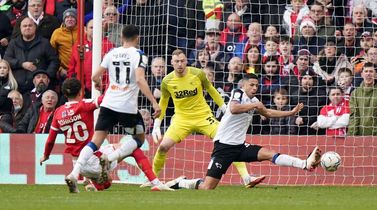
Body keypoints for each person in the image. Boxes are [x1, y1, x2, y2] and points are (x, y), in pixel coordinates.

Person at [165, 73, 321, 190]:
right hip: (224, 147)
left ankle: (305, 164)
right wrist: (255, 106)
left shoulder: (254, 101)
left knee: (269, 153)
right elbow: (233, 109)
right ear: (244, 85)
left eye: (256, 85)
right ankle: (181, 182)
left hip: (240, 146)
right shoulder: (237, 93)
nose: (254, 88)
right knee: (208, 187)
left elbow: (268, 113)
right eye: (251, 85)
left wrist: (291, 113)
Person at [65, 25, 162, 193]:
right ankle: (109, 159)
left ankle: (75, 172)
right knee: (138, 138)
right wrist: (154, 102)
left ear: (122, 37)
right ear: (137, 38)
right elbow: (140, 79)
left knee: (96, 141)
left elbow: (95, 76)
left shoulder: (111, 53)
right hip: (126, 106)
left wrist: (97, 84)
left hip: (108, 103)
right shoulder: (139, 55)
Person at [151, 49, 265, 189]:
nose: (180, 64)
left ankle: (247, 178)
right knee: (163, 146)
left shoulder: (197, 74)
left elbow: (211, 90)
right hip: (181, 120)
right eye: (176, 61)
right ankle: (153, 180)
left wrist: (224, 108)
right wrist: (157, 124)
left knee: (228, 141)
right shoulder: (167, 81)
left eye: (182, 61)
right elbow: (163, 101)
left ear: (186, 61)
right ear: (171, 62)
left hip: (204, 117)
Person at [40, 78, 171, 192]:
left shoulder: (58, 113)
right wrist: (113, 83)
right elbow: (106, 98)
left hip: (78, 164)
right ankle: (156, 183)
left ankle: (95, 184)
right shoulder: (84, 105)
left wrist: (45, 155)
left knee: (107, 181)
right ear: (81, 92)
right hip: (92, 159)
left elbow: (51, 140)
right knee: (133, 149)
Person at [348, 62, 377, 136]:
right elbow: (354, 116)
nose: (368, 74)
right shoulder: (355, 93)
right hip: (360, 136)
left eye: (371, 71)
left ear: (376, 75)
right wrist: (352, 136)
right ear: (362, 74)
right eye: (366, 71)